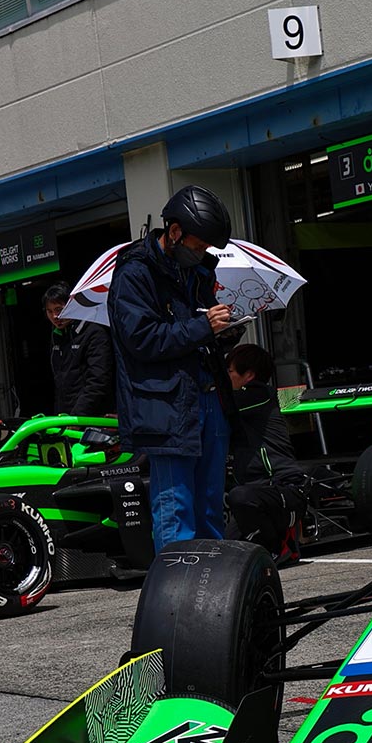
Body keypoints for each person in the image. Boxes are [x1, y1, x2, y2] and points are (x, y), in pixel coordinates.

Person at [109, 185, 237, 550]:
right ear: (176, 231)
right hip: (164, 407)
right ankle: (176, 581)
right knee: (175, 508)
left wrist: (224, 331)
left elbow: (196, 327)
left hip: (206, 396)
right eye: (199, 245)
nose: (202, 253)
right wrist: (203, 327)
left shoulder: (195, 273)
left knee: (210, 504)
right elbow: (142, 339)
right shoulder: (135, 273)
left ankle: (213, 576)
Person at [223, 342, 305, 561]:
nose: (225, 377)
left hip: (285, 488)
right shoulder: (241, 403)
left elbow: (219, 406)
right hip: (257, 494)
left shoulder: (258, 394)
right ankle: (279, 540)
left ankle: (278, 547)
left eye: (229, 371)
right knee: (225, 551)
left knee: (239, 496)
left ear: (249, 375)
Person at [43, 283, 115, 418]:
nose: (55, 316)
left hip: (93, 418)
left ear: (72, 305)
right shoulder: (57, 335)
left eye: (59, 309)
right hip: (66, 418)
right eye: (49, 311)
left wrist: (77, 416)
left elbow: (98, 381)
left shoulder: (95, 332)